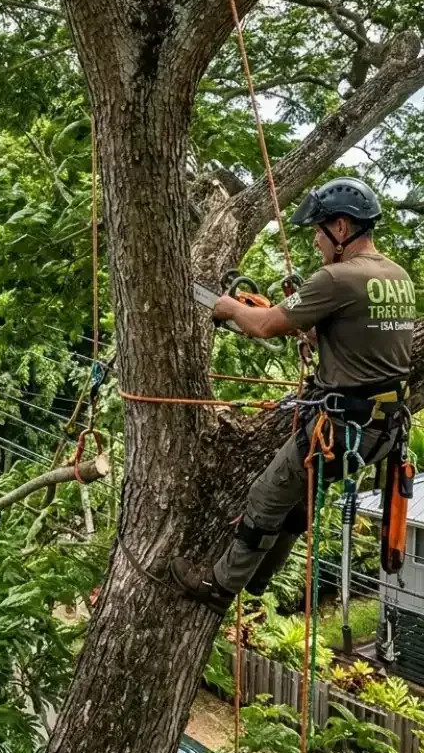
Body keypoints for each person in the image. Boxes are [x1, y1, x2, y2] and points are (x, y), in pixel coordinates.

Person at [171, 177, 415, 614]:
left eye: (320, 231)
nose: (317, 241)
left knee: (266, 496)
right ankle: (262, 577)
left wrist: (229, 308)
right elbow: (365, 339)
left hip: (342, 427)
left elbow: (264, 326)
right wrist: (318, 338)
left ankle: (220, 587)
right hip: (382, 431)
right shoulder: (397, 277)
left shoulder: (337, 278)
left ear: (342, 228)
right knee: (295, 499)